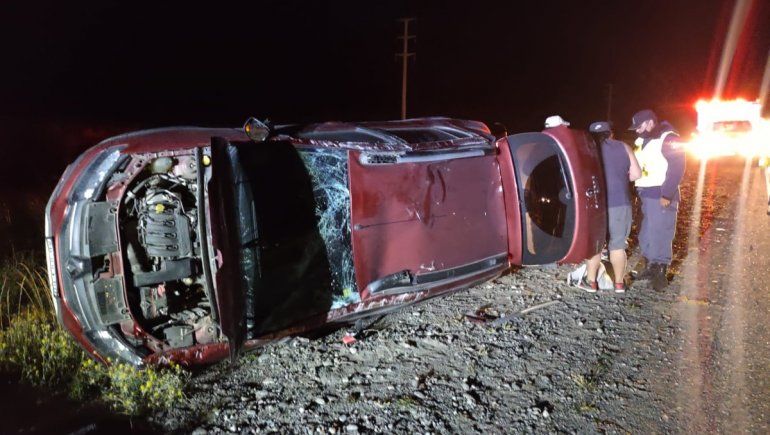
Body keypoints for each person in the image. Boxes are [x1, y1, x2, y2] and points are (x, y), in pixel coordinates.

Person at [578, 121, 642, 293]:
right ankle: (619, 284)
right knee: (618, 245)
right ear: (610, 133)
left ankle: (591, 283)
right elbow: (636, 174)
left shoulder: (586, 151)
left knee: (596, 245)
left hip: (596, 205)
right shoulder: (623, 147)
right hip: (620, 203)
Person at [628, 109, 686, 291]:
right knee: (646, 232)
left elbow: (678, 167)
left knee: (662, 231)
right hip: (645, 193)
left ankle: (660, 272)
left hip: (661, 193)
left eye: (639, 126)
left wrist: (667, 194)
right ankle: (650, 266)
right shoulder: (641, 141)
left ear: (650, 122)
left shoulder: (668, 137)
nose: (636, 131)